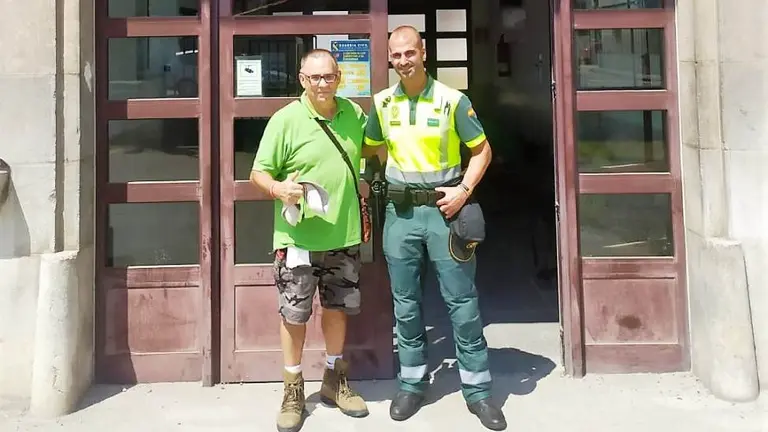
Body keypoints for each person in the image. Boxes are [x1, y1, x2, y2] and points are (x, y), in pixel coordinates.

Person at [363, 26, 507, 431]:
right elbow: (370, 147)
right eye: (396, 55)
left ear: (423, 53)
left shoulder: (452, 100)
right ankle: (412, 383)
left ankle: (478, 390)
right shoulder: (382, 103)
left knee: (462, 302)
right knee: (405, 304)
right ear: (389, 58)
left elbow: (482, 150)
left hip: (445, 213)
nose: (403, 61)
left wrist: (464, 191)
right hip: (401, 214)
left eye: (410, 53)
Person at [250, 48, 370, 432]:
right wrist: (277, 189)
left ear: (339, 78)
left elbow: (373, 151)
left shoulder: (354, 115)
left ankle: (334, 380)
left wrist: (365, 180)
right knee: (294, 315)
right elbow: (258, 173)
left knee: (337, 309)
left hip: (343, 236)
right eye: (314, 77)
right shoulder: (285, 120)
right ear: (302, 79)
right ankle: (292, 389)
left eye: (329, 76)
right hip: (297, 240)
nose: (322, 84)